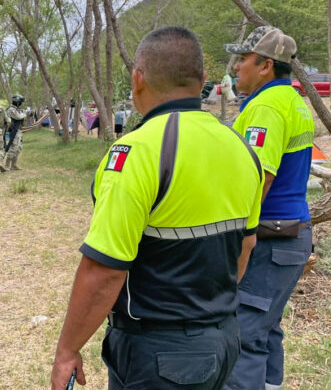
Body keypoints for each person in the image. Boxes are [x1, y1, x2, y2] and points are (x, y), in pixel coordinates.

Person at [50, 26, 264, 390]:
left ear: (138, 79)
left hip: (161, 354)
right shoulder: (242, 149)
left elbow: (104, 270)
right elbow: (246, 246)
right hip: (224, 339)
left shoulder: (137, 152)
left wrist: (67, 350)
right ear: (203, 81)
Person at [223, 26, 314, 390]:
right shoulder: (292, 100)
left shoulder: (266, 106)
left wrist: (238, 237)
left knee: (243, 335)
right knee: (266, 328)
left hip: (270, 236)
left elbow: (257, 178)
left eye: (243, 59)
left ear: (265, 66)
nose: (236, 68)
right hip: (292, 234)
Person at [4, 94, 27, 171]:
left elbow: (21, 116)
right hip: (13, 131)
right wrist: (25, 113)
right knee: (13, 148)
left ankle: (13, 165)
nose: (21, 103)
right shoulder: (11, 110)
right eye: (20, 102)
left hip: (19, 131)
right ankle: (7, 165)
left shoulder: (18, 109)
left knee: (19, 148)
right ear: (17, 102)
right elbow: (18, 117)